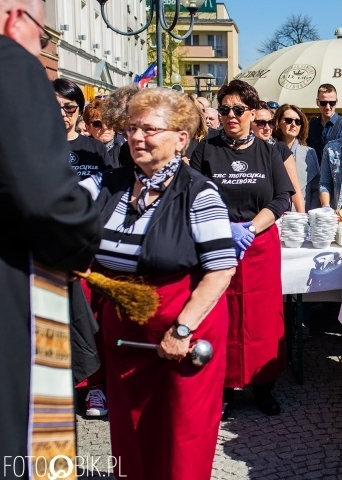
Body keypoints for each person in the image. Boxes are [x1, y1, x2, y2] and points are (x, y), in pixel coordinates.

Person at [82, 88, 236, 479]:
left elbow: (221, 270)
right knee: (130, 436)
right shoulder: (112, 185)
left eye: (149, 129)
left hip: (180, 335)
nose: (137, 137)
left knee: (179, 441)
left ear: (180, 138)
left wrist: (183, 328)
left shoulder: (198, 193)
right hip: (124, 337)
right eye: (132, 128)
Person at [0, 0, 101, 464]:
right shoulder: (11, 64)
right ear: (15, 20)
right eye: (42, 35)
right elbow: (46, 200)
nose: (44, 48)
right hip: (14, 292)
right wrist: (83, 238)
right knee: (24, 448)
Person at [190, 80, 294, 417]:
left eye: (238, 109)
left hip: (259, 243)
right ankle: (224, 387)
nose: (230, 116)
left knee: (263, 320)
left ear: (252, 112)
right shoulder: (205, 150)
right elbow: (191, 194)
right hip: (217, 244)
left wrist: (249, 228)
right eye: (224, 110)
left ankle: (264, 385)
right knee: (223, 317)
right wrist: (221, 228)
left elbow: (282, 198)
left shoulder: (269, 151)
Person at [254, 100, 306, 212]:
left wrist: (302, 218)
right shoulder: (239, 149)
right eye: (261, 123)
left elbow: (295, 188)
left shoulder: (280, 148)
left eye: (271, 123)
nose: (267, 128)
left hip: (276, 214)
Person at [55, 78, 111, 178]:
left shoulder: (96, 148)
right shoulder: (36, 148)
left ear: (80, 111)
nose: (62, 113)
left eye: (69, 107)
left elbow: (110, 185)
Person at [273, 103, 321, 210]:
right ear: (278, 122)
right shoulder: (269, 150)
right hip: (274, 214)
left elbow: (315, 190)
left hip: (302, 215)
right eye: (288, 120)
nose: (293, 124)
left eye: (298, 122)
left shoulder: (309, 153)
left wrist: (310, 216)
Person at [83, 98, 127, 168]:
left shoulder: (126, 153)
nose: (105, 127)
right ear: (88, 128)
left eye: (109, 122)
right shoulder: (80, 152)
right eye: (97, 124)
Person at [308, 83, 342, 162]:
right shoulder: (311, 125)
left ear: (336, 102)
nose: (328, 107)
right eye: (323, 103)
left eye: (332, 103)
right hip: (316, 172)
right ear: (317, 102)